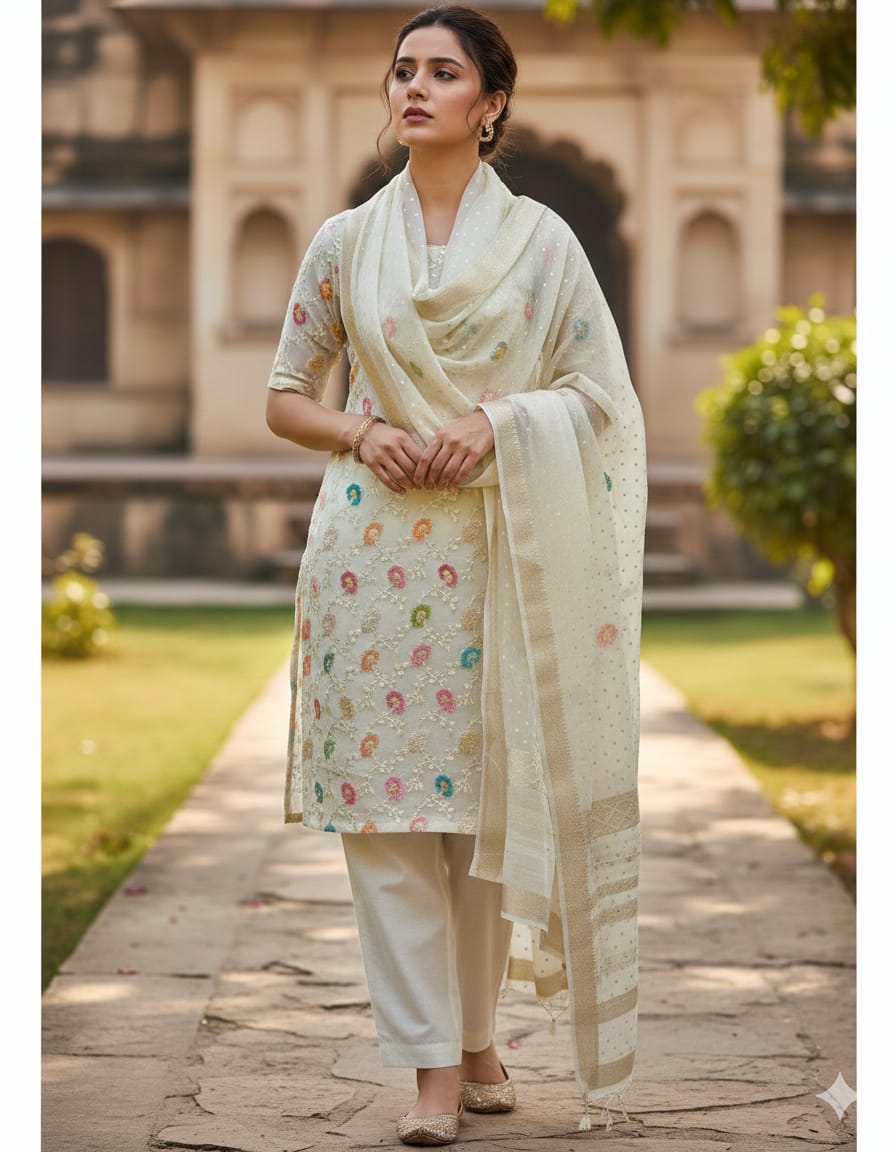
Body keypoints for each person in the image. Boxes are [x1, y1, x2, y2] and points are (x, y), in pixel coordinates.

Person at [266, 5, 647, 1144]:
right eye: (401, 71)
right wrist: (355, 434)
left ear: (489, 107)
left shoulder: (542, 246)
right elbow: (286, 393)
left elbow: (599, 396)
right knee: (387, 824)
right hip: (371, 566)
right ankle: (434, 1069)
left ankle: (476, 1031)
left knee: (482, 814)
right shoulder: (342, 242)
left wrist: (496, 424)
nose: (413, 88)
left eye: (442, 73)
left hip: (497, 552)